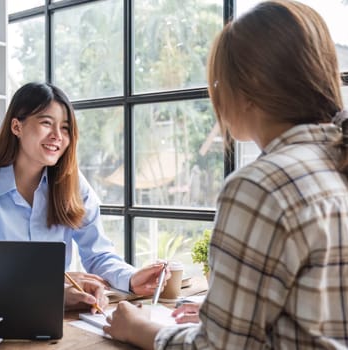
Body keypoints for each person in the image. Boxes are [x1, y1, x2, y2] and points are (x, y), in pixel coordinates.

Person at [104, 1, 348, 349]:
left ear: (249, 88)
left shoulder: (260, 187)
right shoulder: (335, 163)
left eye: (218, 83)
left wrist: (139, 328)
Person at [0, 82, 170, 312]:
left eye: (64, 128)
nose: (57, 136)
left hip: (61, 316)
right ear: (16, 126)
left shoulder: (72, 184)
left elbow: (98, 254)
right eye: (46, 123)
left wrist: (132, 278)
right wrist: (55, 287)